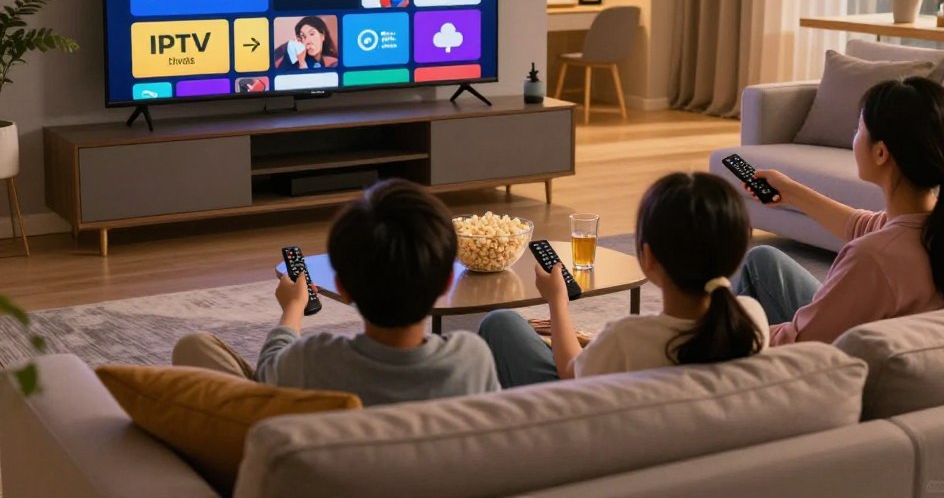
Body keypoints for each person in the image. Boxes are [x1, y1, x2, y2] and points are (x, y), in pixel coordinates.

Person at [172, 179, 500, 406]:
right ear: (447, 282)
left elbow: (269, 372)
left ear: (341, 288)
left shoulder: (313, 359)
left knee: (194, 347)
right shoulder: (473, 357)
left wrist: (293, 309)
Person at [479, 172, 769, 388]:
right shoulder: (751, 319)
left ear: (648, 257)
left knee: (501, 322)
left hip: (579, 425)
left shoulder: (626, 338)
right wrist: (593, 341)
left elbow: (570, 371)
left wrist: (557, 302)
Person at [735, 76, 944, 345]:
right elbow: (862, 226)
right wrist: (791, 192)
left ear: (880, 153)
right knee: (762, 260)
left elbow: (801, 341)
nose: (854, 138)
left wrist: (731, 335)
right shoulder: (941, 223)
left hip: (840, 370)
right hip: (902, 356)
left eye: (858, 129)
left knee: (733, 327)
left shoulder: (871, 258)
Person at [273, 16, 338, 70]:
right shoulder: (292, 58)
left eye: (312, 34)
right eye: (303, 37)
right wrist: (302, 62)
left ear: (323, 36)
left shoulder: (333, 62)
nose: (308, 41)